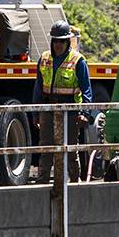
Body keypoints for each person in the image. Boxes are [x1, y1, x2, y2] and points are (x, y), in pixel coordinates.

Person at [33, 20, 98, 178]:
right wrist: (35, 113)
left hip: (69, 112)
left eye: (61, 41)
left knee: (69, 150)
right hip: (47, 110)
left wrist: (84, 112)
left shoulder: (77, 61)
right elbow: (38, 86)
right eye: (55, 41)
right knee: (46, 148)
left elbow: (86, 89)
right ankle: (43, 182)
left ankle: (75, 183)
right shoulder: (44, 59)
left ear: (68, 41)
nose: (58, 44)